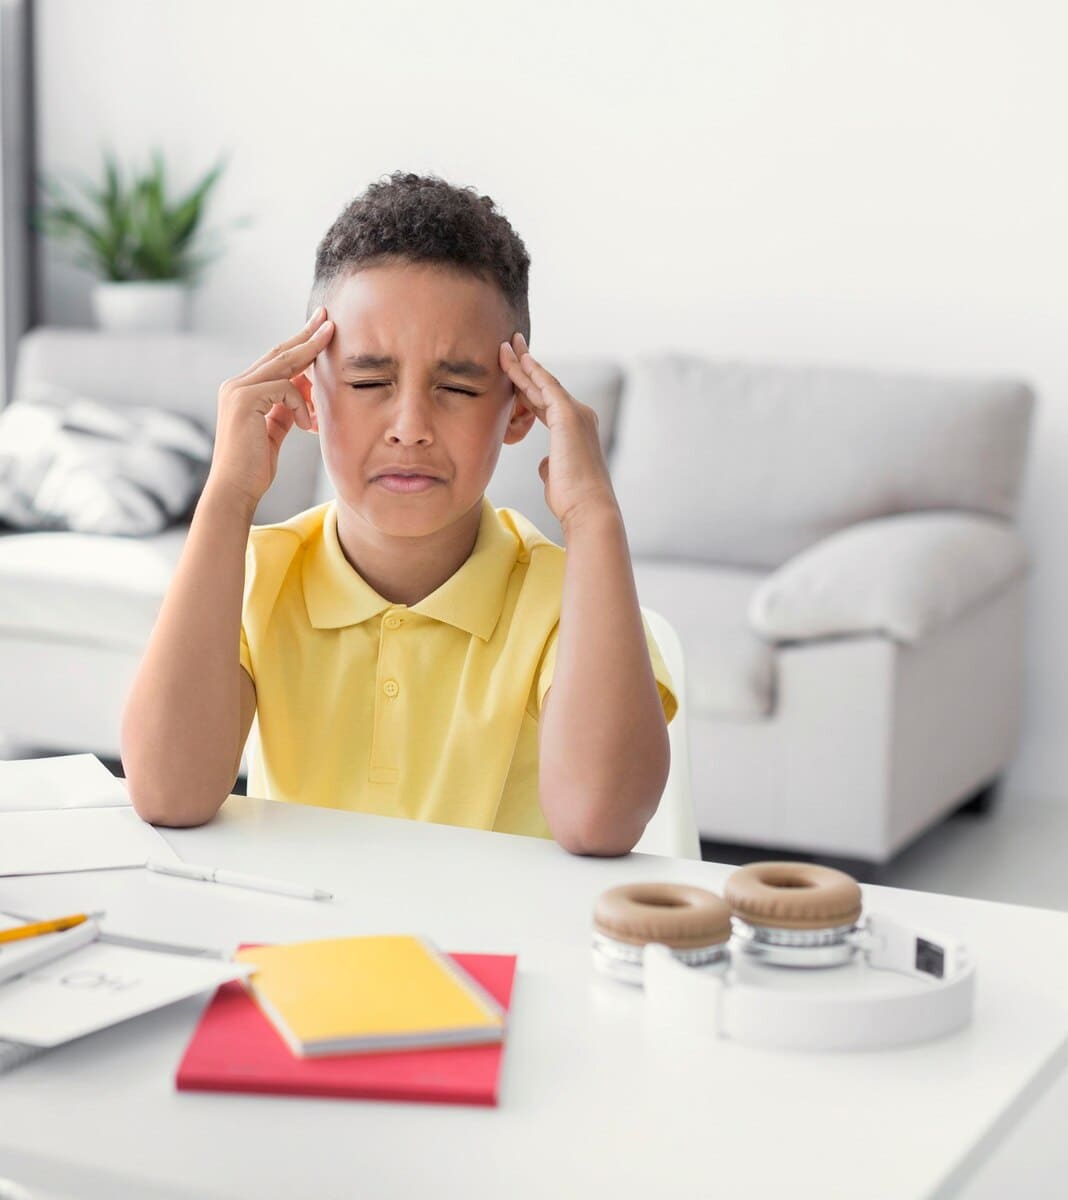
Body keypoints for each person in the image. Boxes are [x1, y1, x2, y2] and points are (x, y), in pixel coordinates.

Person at [120, 172, 677, 855]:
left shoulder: (573, 602)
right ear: (307, 395)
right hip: (310, 947)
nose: (410, 426)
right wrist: (227, 495)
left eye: (457, 386)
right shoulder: (252, 577)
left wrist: (594, 516)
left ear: (520, 410)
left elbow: (601, 821)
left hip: (507, 949)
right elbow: (167, 795)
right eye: (368, 382)